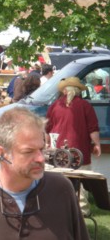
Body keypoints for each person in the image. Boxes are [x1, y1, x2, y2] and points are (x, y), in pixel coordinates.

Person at [0, 107, 89, 239]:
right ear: (2, 153)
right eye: (28, 151)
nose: (40, 158)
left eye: (41, 149)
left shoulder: (61, 189)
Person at [46, 77, 101, 215]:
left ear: (65, 90)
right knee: (81, 183)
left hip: (58, 152)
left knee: (58, 181)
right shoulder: (85, 106)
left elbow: (48, 128)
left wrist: (47, 144)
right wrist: (97, 144)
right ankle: (81, 212)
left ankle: (59, 210)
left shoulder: (55, 106)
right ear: (77, 91)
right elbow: (93, 129)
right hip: (79, 151)